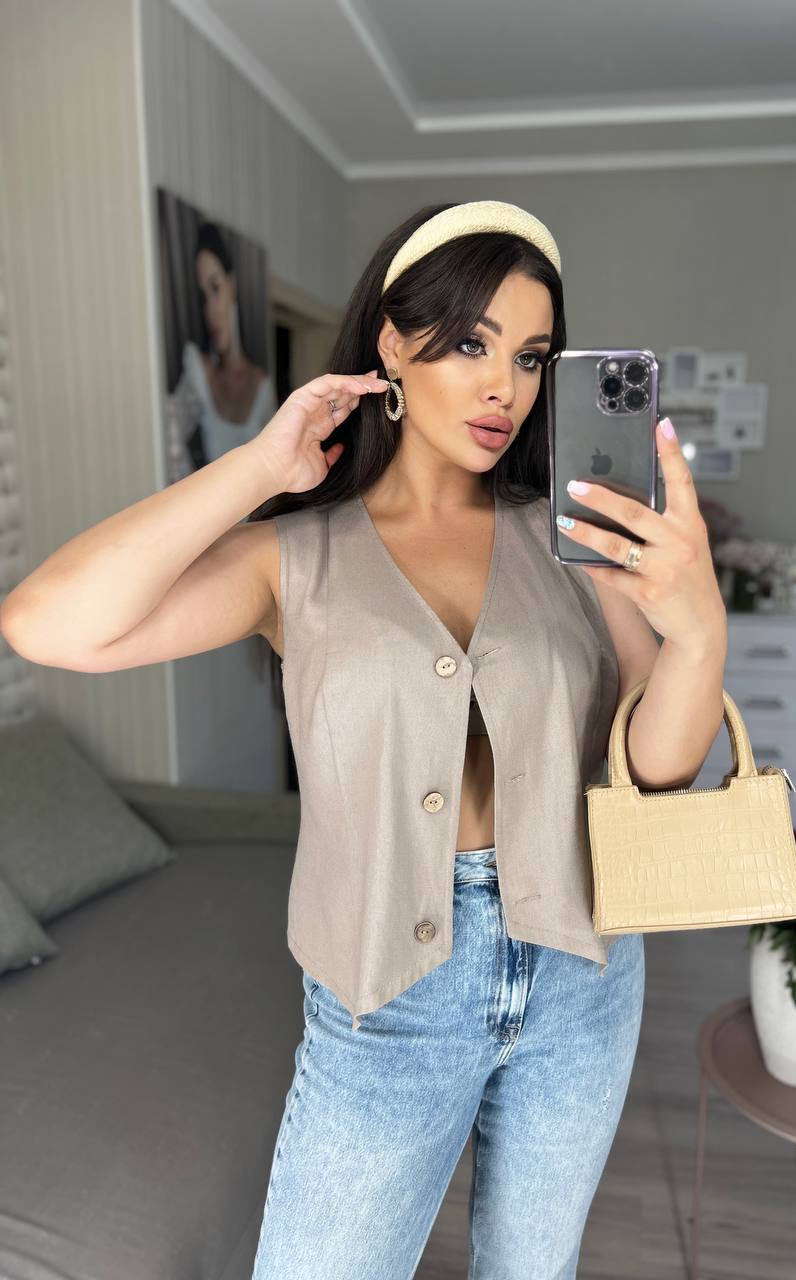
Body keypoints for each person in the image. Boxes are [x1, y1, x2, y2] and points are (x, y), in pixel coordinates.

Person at [0, 199, 727, 1279]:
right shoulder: (294, 556)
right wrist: (261, 467)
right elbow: (45, 623)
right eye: (472, 343)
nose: (505, 386)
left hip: (586, 971)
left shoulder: (571, 539)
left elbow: (661, 770)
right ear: (392, 343)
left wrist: (699, 625)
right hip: (388, 996)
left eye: (531, 357)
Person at [165, 220, 278, 482]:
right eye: (202, 296)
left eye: (215, 288)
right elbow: (169, 442)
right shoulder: (199, 370)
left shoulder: (262, 386)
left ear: (232, 285)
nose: (210, 311)